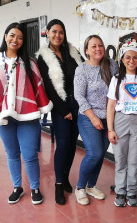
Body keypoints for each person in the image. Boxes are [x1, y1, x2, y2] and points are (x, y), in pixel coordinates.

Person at [0, 22, 53, 205]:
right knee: (12, 154)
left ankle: (35, 188)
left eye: (20, 37)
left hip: (27, 117)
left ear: (23, 41)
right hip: (3, 117)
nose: (15, 39)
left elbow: (38, 88)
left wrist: (41, 109)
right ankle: (17, 187)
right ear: (5, 36)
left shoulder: (29, 63)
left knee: (30, 154)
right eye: (12, 35)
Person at [36, 19, 83, 205]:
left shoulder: (72, 52)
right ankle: (58, 184)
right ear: (47, 32)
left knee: (72, 144)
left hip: (77, 104)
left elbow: (82, 75)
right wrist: (63, 110)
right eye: (54, 31)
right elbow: (48, 87)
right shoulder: (43, 57)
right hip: (59, 106)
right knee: (63, 144)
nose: (57, 35)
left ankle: (65, 179)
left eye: (61, 32)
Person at [107, 43, 137, 207]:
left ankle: (132, 191)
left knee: (135, 160)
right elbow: (111, 106)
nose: (131, 60)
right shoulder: (116, 79)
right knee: (120, 159)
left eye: (135, 57)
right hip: (120, 120)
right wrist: (110, 129)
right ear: (122, 59)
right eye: (127, 57)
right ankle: (120, 191)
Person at [74, 35, 118, 205]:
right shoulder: (82, 70)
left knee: (100, 156)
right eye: (93, 46)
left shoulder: (112, 65)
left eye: (100, 45)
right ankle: (80, 187)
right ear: (87, 51)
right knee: (94, 153)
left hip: (109, 117)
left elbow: (118, 89)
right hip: (87, 116)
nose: (98, 49)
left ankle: (91, 186)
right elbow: (79, 96)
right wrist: (93, 118)